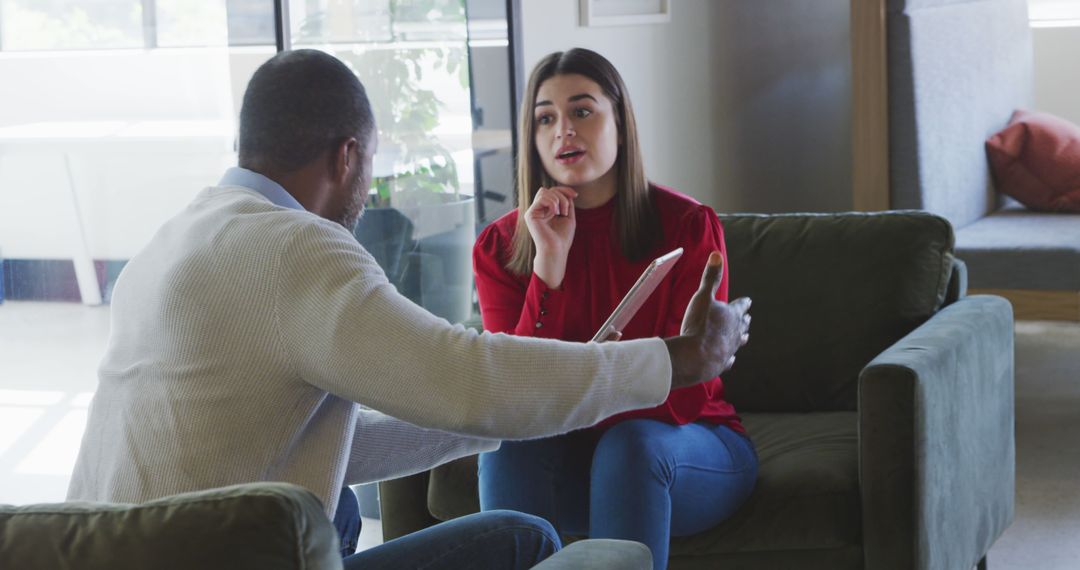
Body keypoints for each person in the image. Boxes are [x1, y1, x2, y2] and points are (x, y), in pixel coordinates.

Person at [66, 49, 751, 570]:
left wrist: (491, 423)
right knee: (521, 538)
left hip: (100, 547)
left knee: (332, 503)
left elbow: (329, 440)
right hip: (218, 554)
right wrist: (674, 359)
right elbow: (470, 377)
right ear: (348, 156)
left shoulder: (175, 238)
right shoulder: (301, 248)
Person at [472, 48, 758, 570]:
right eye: (545, 118)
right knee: (510, 445)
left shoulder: (687, 225)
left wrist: (577, 388)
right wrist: (548, 268)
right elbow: (514, 395)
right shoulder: (498, 247)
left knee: (629, 446)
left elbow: (684, 396)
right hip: (568, 458)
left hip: (687, 448)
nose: (563, 130)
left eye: (582, 111)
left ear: (621, 125)